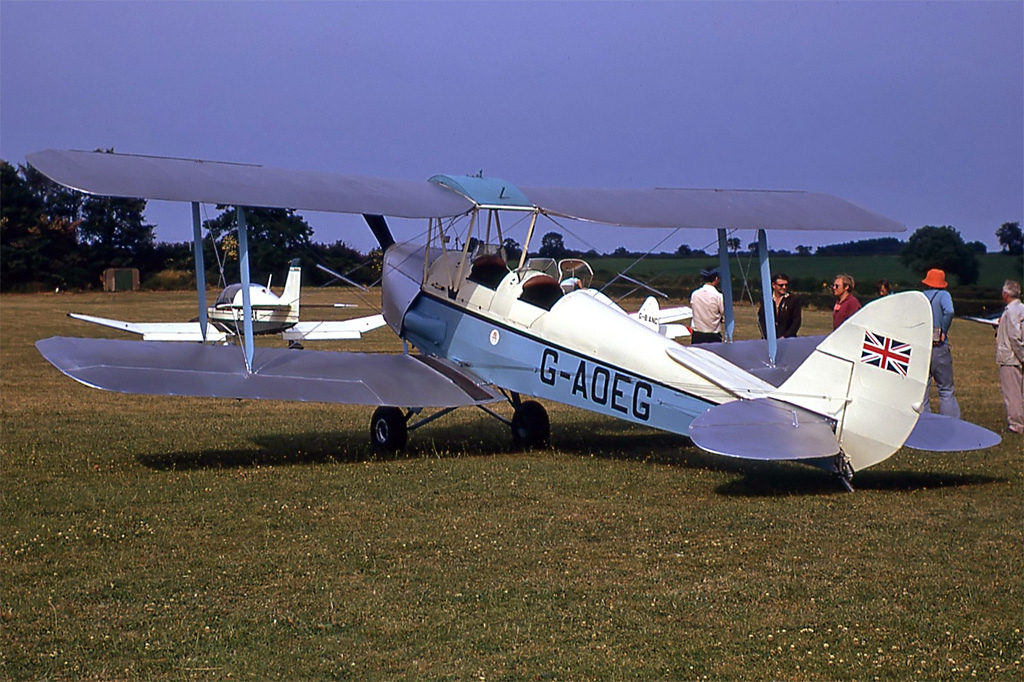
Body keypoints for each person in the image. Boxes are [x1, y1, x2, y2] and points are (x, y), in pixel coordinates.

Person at [921, 268, 960, 418]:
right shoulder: (944, 295)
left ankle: (924, 423)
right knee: (945, 390)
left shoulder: (922, 296)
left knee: (923, 390)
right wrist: (944, 329)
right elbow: (949, 311)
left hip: (923, 345)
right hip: (938, 346)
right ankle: (951, 422)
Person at [996, 280, 1024, 434]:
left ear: (1005, 294)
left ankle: (1016, 425)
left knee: (1012, 393)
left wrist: (1022, 356)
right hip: (1018, 355)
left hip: (1011, 358)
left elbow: (1014, 336)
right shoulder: (1022, 309)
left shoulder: (1011, 311)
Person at [757, 272, 802, 339]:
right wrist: (767, 335)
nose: (784, 287)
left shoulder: (793, 299)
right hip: (768, 340)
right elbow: (762, 319)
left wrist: (785, 336)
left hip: (787, 340)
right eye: (781, 285)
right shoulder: (767, 299)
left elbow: (796, 321)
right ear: (773, 285)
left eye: (786, 285)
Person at [690, 268, 724, 344]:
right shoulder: (718, 296)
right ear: (716, 279)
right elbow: (723, 313)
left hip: (697, 335)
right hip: (713, 335)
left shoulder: (695, 294)